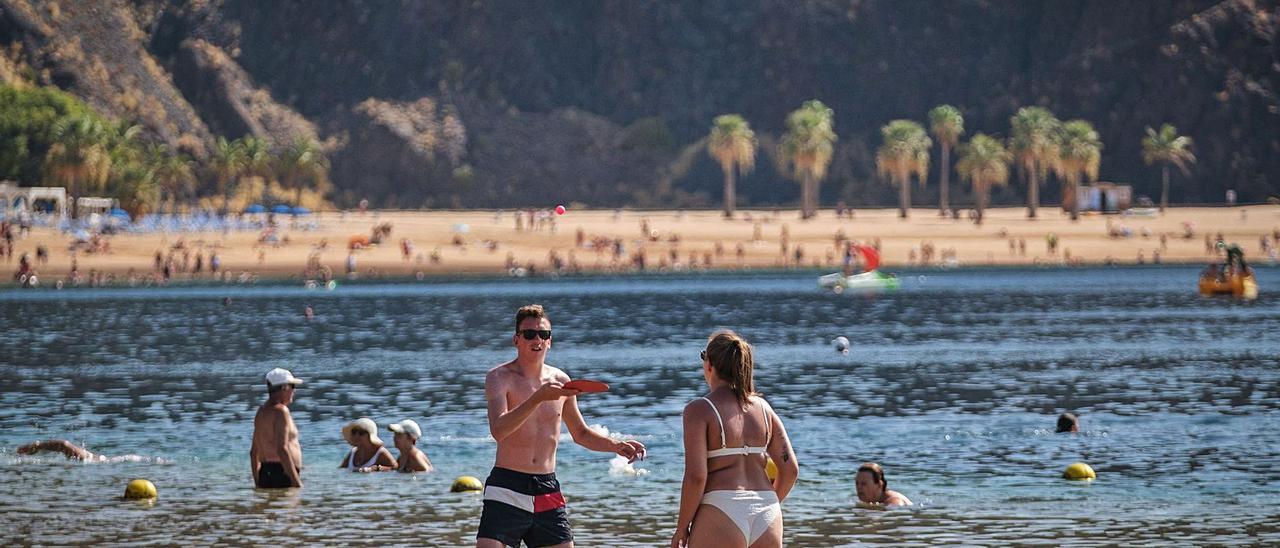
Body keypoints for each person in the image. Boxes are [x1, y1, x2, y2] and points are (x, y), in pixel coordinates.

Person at [476, 304, 646, 548]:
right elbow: (499, 430)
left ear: (550, 341)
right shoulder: (499, 377)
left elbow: (581, 433)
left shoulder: (561, 381)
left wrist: (616, 446)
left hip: (546, 486)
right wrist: (538, 398)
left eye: (543, 335)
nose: (537, 339)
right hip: (507, 486)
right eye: (529, 334)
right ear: (516, 339)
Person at [672, 331, 798, 548]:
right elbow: (791, 470)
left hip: (721, 508)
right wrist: (768, 504)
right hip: (767, 510)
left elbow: (696, 476)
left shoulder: (699, 410)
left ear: (709, 364)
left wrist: (682, 527)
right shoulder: (764, 409)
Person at [250, 368, 304, 488]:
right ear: (284, 387)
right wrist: (296, 482)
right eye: (293, 387)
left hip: (265, 472)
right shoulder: (281, 411)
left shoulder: (261, 412)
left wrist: (257, 481)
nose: (294, 391)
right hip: (282, 473)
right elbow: (282, 449)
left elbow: (254, 452)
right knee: (287, 506)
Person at [17, 439, 105, 461]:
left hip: (95, 460)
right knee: (64, 445)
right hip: (96, 460)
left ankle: (37, 446)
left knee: (64, 445)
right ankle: (36, 446)